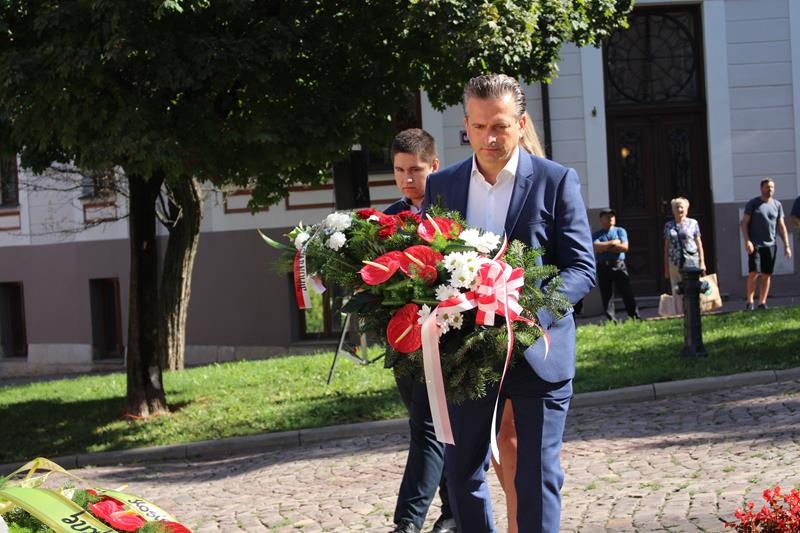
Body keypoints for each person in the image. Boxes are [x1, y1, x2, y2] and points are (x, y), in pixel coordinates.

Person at [423, 74, 595, 533]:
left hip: (539, 350)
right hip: (467, 354)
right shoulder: (442, 186)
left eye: (499, 126)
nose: (490, 138)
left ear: (520, 123)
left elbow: (581, 268)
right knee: (461, 474)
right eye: (479, 127)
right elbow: (428, 264)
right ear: (466, 126)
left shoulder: (556, 181)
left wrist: (530, 312)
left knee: (537, 476)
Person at [383, 128, 456, 533]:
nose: (407, 179)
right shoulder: (387, 220)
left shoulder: (451, 214)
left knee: (428, 428)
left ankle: (407, 524)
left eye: (416, 170)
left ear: (434, 166)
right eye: (399, 170)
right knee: (431, 427)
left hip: (445, 340)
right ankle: (454, 513)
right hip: (403, 343)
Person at [741, 178, 792, 310]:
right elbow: (744, 223)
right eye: (767, 187)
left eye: (772, 187)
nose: (770, 189)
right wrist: (747, 241)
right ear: (761, 188)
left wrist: (786, 246)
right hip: (755, 244)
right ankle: (750, 302)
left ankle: (762, 303)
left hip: (771, 245)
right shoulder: (753, 204)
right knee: (754, 272)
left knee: (766, 274)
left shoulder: (777, 205)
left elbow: (781, 226)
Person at [592, 208, 641, 321]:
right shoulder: (597, 234)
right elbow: (596, 247)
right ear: (601, 219)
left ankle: (634, 316)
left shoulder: (620, 231)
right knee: (607, 294)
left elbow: (624, 247)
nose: (611, 218)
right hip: (603, 266)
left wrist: (605, 247)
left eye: (612, 216)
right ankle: (611, 320)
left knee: (626, 292)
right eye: (607, 216)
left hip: (618, 265)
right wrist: (614, 243)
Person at [663, 197, 706, 315]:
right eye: (677, 207)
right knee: (676, 289)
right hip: (674, 262)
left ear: (687, 209)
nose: (679, 210)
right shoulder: (668, 226)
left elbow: (699, 244)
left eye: (682, 207)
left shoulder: (693, 223)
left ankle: (696, 312)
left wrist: (702, 262)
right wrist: (666, 268)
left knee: (693, 287)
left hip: (691, 261)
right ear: (673, 210)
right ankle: (680, 314)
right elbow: (666, 248)